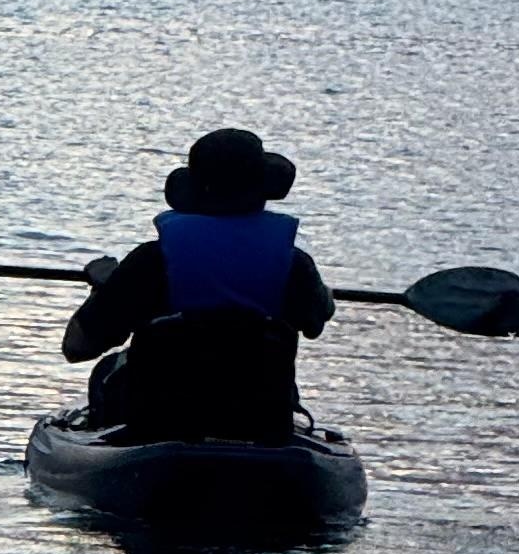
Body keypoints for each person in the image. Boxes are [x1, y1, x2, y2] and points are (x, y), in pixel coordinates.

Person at [62, 127, 335, 444]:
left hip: (159, 424)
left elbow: (77, 347)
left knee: (109, 369)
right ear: (262, 189)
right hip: (259, 422)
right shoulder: (294, 264)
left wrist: (105, 289)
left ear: (193, 190)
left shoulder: (151, 261)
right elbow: (316, 322)